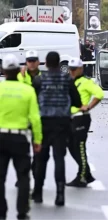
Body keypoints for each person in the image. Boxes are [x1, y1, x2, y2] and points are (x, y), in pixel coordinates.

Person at [32, 51, 82, 206]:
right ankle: (60, 194)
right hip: (62, 124)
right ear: (59, 63)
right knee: (59, 158)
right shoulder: (67, 79)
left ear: (45, 63)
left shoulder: (39, 80)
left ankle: (38, 193)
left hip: (43, 124)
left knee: (41, 159)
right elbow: (76, 101)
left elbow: (33, 103)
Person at [0, 54, 42, 220]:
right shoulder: (28, 90)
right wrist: (37, 140)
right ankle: (22, 212)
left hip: (0, 138)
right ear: (18, 70)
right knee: (23, 177)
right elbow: (35, 118)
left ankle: (1, 212)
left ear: (3, 71)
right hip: (20, 140)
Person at [66, 58, 104, 187]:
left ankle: (82, 176)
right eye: (70, 69)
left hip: (81, 117)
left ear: (80, 69)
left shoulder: (86, 82)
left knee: (80, 147)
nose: (71, 72)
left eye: (74, 69)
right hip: (70, 118)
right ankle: (86, 173)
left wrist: (88, 106)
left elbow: (99, 94)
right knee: (71, 147)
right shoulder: (69, 81)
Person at [14, 50, 41, 188]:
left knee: (37, 151)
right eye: (29, 60)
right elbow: (20, 91)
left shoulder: (43, 77)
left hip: (37, 117)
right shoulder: (20, 76)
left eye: (33, 60)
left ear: (38, 62)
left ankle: (36, 176)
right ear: (26, 62)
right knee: (23, 152)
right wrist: (23, 77)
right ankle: (22, 177)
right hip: (23, 118)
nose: (31, 63)